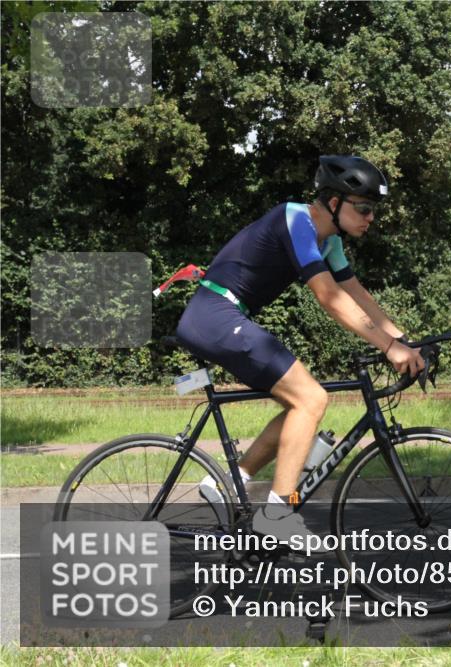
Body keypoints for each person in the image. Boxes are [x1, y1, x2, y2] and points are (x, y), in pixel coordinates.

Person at [175, 155, 425, 546]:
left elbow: (355, 293)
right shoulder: (295, 220)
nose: (370, 217)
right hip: (214, 315)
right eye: (364, 208)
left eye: (373, 210)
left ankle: (227, 481)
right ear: (334, 203)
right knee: (310, 398)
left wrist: (406, 342)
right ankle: (277, 514)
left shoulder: (331, 241)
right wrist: (388, 346)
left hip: (224, 317)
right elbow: (328, 296)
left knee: (301, 404)